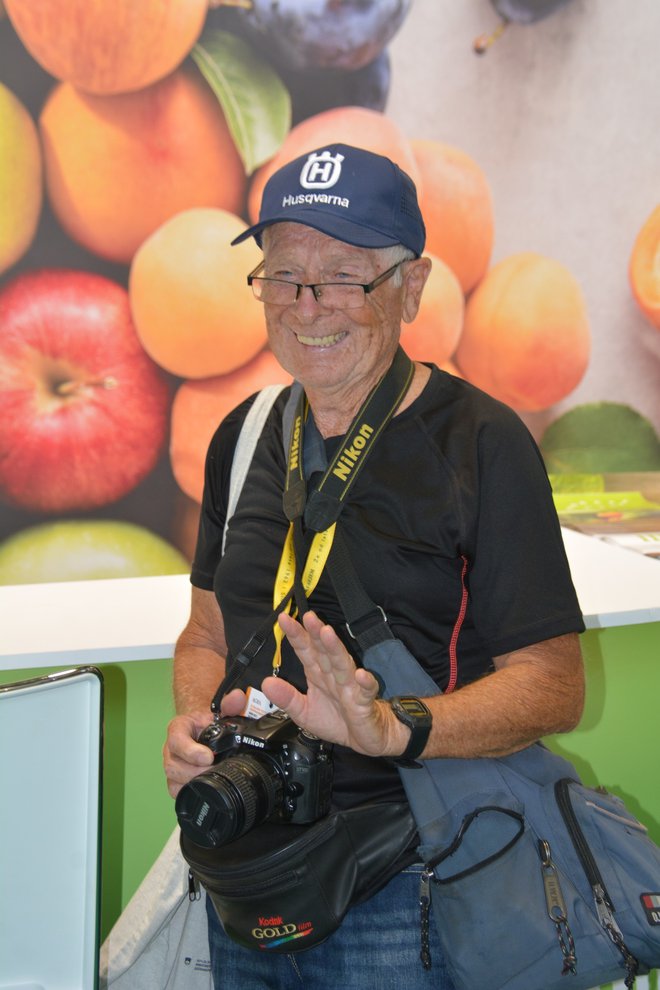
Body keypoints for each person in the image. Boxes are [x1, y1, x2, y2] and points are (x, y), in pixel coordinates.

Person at [163, 143, 585, 990]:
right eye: (283, 275)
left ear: (413, 286)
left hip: (407, 886)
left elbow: (553, 684)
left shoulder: (481, 442)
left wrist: (397, 728)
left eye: (346, 276)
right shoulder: (241, 436)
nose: (308, 305)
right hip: (244, 875)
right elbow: (207, 631)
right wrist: (195, 725)